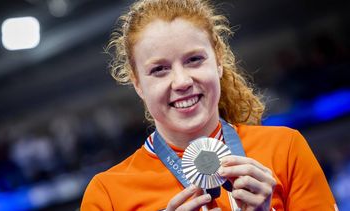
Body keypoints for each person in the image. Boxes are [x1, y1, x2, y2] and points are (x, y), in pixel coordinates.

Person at [81, 0, 337, 210]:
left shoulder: (285, 149)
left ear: (218, 62)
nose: (181, 81)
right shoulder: (107, 195)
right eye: (159, 69)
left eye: (194, 60)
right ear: (138, 84)